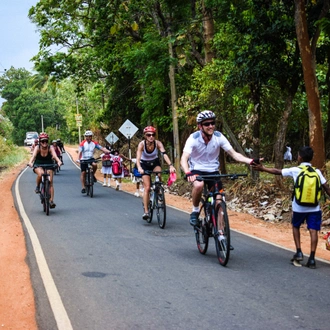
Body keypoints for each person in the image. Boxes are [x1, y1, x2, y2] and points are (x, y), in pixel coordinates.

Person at [252, 146, 330, 269]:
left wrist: (262, 168)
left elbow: (278, 171)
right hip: (314, 207)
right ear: (311, 158)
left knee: (296, 226)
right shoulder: (317, 172)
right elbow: (327, 188)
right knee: (313, 230)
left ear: (299, 157)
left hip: (299, 206)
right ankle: (312, 259)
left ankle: (299, 252)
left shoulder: (296, 170)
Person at [180, 110, 255, 228]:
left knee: (219, 201)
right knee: (199, 185)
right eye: (207, 124)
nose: (210, 126)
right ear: (200, 126)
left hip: (213, 171)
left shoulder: (219, 137)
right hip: (197, 169)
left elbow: (234, 154)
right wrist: (188, 172)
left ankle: (221, 234)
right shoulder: (193, 138)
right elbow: (184, 158)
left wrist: (250, 161)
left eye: (212, 123)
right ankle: (195, 211)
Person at [136, 126, 176, 220]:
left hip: (154, 162)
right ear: (145, 136)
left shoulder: (158, 143)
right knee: (147, 187)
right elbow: (138, 158)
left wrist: (170, 165)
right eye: (149, 135)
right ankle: (146, 211)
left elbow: (164, 154)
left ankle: (159, 191)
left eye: (153, 135)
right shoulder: (141, 144)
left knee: (159, 174)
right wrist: (139, 168)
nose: (151, 137)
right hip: (144, 164)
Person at [28, 132, 62, 208]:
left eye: (46, 141)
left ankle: (51, 201)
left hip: (49, 164)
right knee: (41, 174)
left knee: (51, 182)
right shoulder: (37, 148)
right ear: (40, 141)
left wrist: (59, 161)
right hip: (38, 164)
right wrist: (30, 163)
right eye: (43, 141)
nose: (44, 143)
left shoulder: (50, 147)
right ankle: (37, 186)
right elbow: (33, 157)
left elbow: (55, 156)